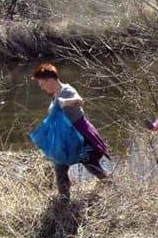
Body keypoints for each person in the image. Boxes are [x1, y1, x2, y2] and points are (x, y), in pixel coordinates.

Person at [31, 63, 111, 201]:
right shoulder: (55, 95)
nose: (42, 88)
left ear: (51, 80)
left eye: (42, 84)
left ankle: (114, 187)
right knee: (60, 168)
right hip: (67, 139)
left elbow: (79, 101)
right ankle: (64, 200)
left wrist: (65, 102)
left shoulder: (67, 90)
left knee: (92, 165)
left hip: (81, 136)